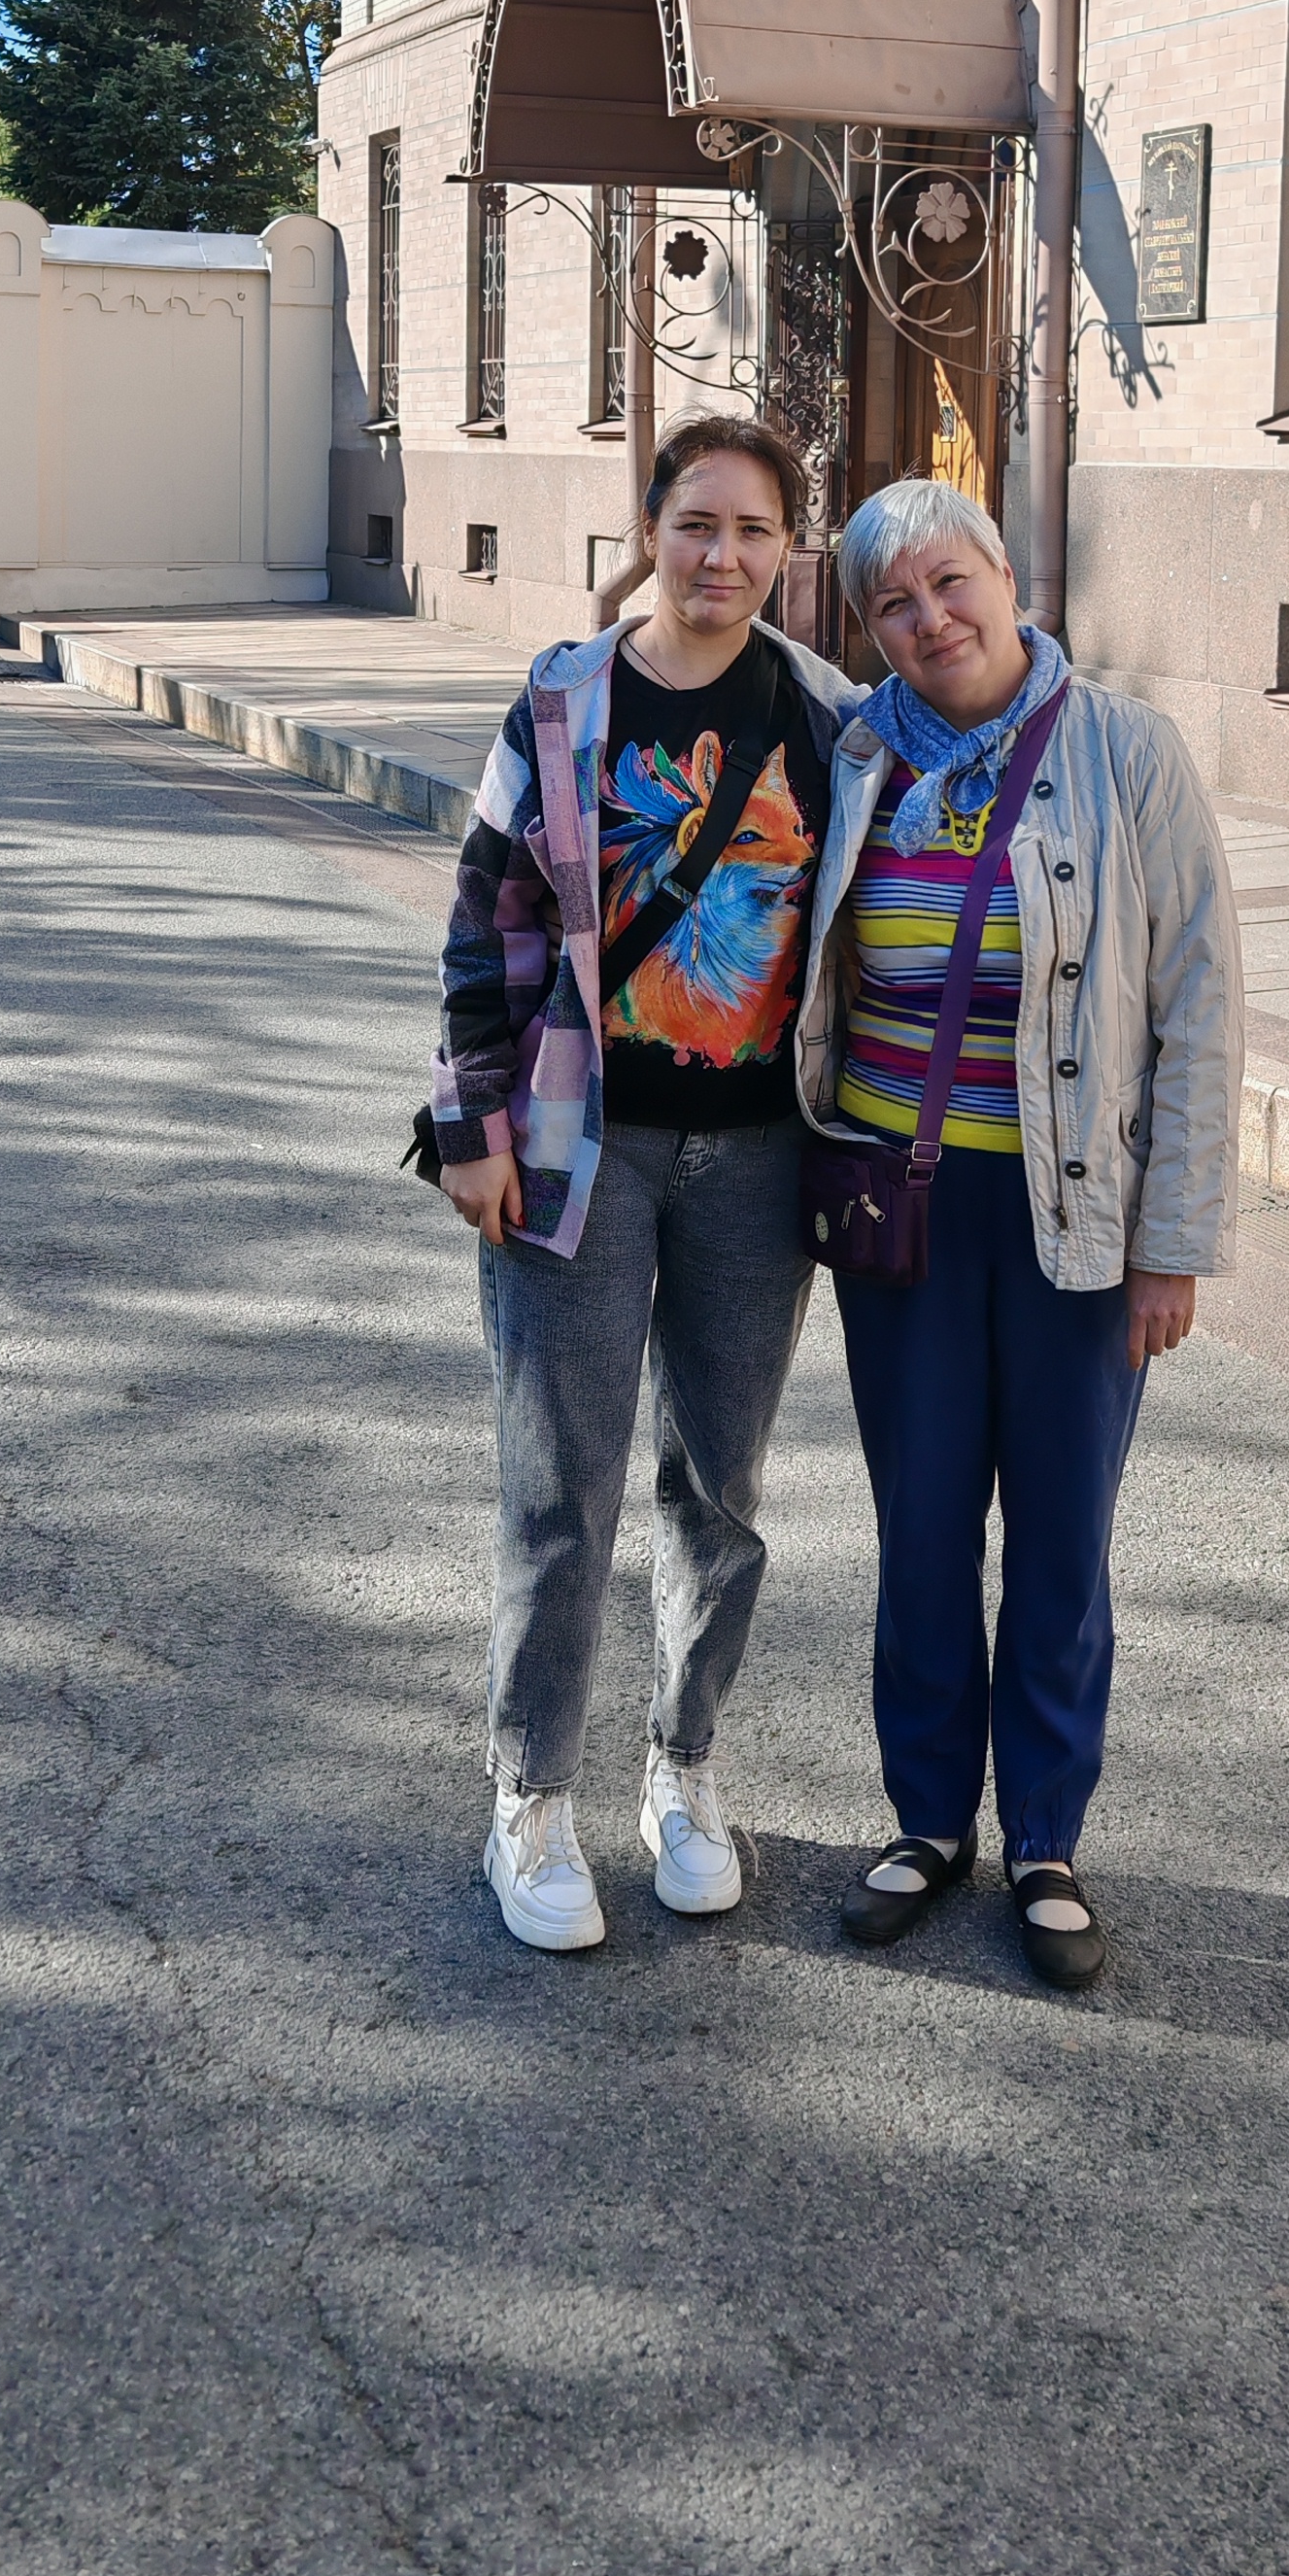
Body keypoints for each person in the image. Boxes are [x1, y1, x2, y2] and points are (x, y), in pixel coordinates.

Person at [794, 477, 1241, 1990]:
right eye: (893, 605)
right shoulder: (853, 754)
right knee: (921, 1529)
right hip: (900, 1215)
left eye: (950, 582)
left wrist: (1173, 1241)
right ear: (870, 631)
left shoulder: (1127, 751)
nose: (932, 620)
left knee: (1059, 1535)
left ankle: (1046, 1837)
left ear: (1005, 573)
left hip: (1080, 1217)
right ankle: (929, 1822)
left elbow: (1201, 1008)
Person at [433, 414, 862, 1954]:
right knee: (563, 1482)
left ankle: (683, 1769)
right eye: (696, 523)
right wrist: (467, 1122)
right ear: (651, 528)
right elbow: (486, 918)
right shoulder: (564, 700)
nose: (721, 556)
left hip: (760, 1160)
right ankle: (532, 1792)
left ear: (787, 548)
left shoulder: (832, 719)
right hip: (579, 1143)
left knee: (718, 1488)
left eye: (753, 530)